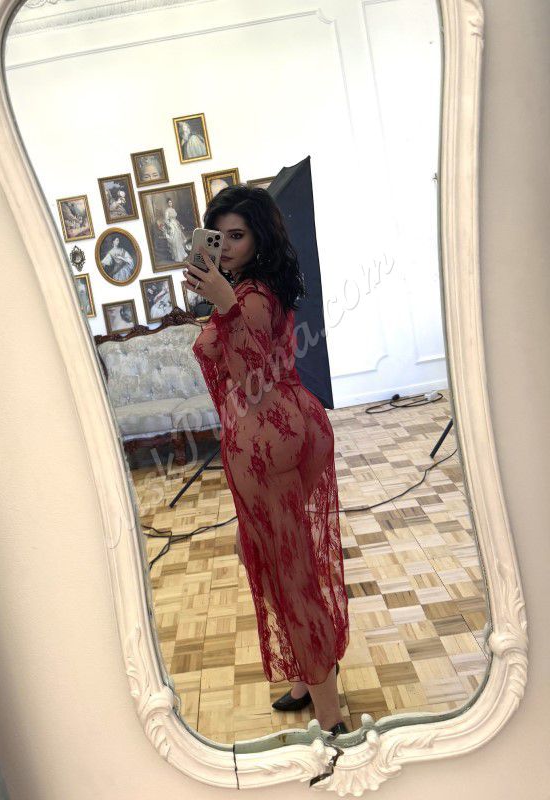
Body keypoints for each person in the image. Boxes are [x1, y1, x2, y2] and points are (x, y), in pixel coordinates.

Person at [185, 185, 350, 738]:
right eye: (219, 236)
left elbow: (251, 374)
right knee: (263, 553)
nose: (227, 245)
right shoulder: (259, 288)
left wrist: (224, 306)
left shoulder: (249, 297)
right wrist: (220, 302)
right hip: (286, 427)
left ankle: (330, 717)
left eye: (237, 235)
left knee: (289, 573)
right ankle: (308, 675)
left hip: (269, 438)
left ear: (259, 237)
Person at [162, 198, 188, 262]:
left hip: (176, 224)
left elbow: (175, 219)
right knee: (175, 241)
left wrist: (179, 224)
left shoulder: (173, 209)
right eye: (169, 202)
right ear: (167, 203)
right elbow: (166, 220)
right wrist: (170, 226)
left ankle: (182, 255)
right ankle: (177, 257)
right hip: (171, 226)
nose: (170, 203)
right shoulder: (167, 211)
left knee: (178, 240)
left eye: (171, 202)